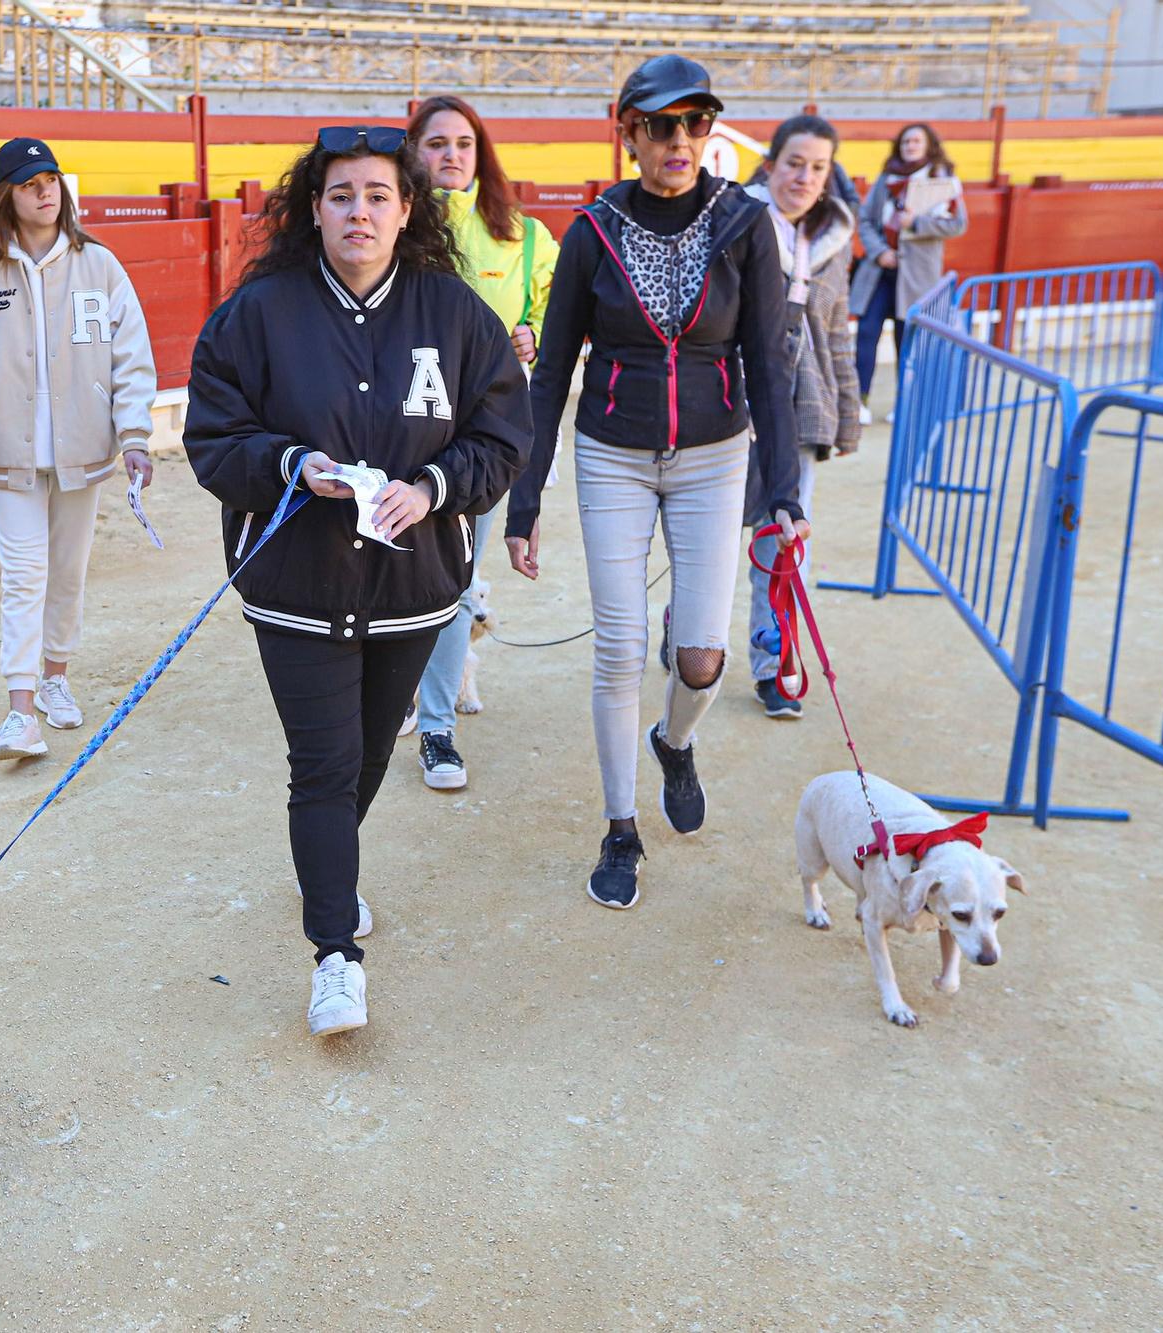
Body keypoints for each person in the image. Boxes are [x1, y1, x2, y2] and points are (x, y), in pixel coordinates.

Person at [183, 125, 530, 1036]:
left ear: (407, 208)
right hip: (294, 585)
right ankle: (335, 950)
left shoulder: (456, 313)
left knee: (369, 758)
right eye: (341, 195)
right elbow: (214, 438)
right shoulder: (259, 313)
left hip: (413, 589)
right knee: (324, 766)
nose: (359, 212)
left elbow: (502, 437)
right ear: (314, 208)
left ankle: (331, 871)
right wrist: (297, 465)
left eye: (378, 195)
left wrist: (431, 488)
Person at [504, 54, 806, 912]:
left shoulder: (744, 222)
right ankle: (620, 827)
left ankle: (675, 741)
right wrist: (525, 502)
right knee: (619, 644)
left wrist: (781, 494)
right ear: (628, 130)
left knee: (703, 656)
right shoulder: (593, 228)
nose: (681, 140)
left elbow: (765, 364)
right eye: (662, 125)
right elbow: (552, 366)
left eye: (696, 122)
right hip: (613, 453)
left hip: (715, 455)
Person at [0, 138, 158, 762]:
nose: (46, 189)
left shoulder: (100, 267)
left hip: (84, 451)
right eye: (31, 181)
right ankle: (20, 712)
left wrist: (136, 437)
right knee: (23, 578)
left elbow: (131, 361)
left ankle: (57, 676)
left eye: (52, 178)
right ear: (7, 194)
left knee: (67, 572)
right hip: (9, 454)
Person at [402, 93, 557, 791]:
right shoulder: (392, 224)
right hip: (397, 427)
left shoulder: (522, 236)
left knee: (455, 579)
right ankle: (394, 695)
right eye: (436, 144)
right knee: (386, 570)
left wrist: (538, 334)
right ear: (413, 153)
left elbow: (555, 308)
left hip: (484, 436)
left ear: (480, 153)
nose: (451, 156)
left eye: (463, 144)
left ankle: (436, 724)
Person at [742, 115, 861, 720]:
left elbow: (836, 331)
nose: (804, 177)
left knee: (783, 542)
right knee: (706, 545)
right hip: (734, 405)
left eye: (818, 167)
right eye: (794, 163)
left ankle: (773, 663)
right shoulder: (738, 222)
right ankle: (681, 628)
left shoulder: (835, 241)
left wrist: (846, 415)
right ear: (770, 165)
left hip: (804, 408)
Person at [849, 122, 965, 421]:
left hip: (916, 273)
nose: (910, 146)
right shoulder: (887, 178)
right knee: (866, 332)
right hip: (880, 270)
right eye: (905, 141)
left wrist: (915, 224)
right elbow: (865, 220)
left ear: (928, 146)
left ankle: (906, 402)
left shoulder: (942, 180)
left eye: (916, 141)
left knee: (907, 339)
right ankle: (858, 401)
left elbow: (957, 224)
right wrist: (880, 251)